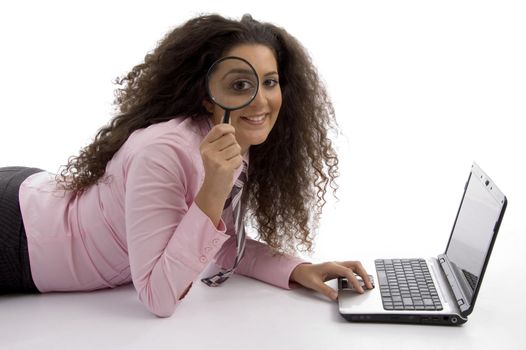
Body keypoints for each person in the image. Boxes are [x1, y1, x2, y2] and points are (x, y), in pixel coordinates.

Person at [0, 14, 373, 317]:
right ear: (206, 95)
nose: (261, 101)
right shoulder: (161, 151)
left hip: (35, 198)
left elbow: (218, 245)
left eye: (270, 82)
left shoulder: (230, 136)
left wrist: (296, 269)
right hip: (17, 235)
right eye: (241, 84)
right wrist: (214, 187)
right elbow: (158, 297)